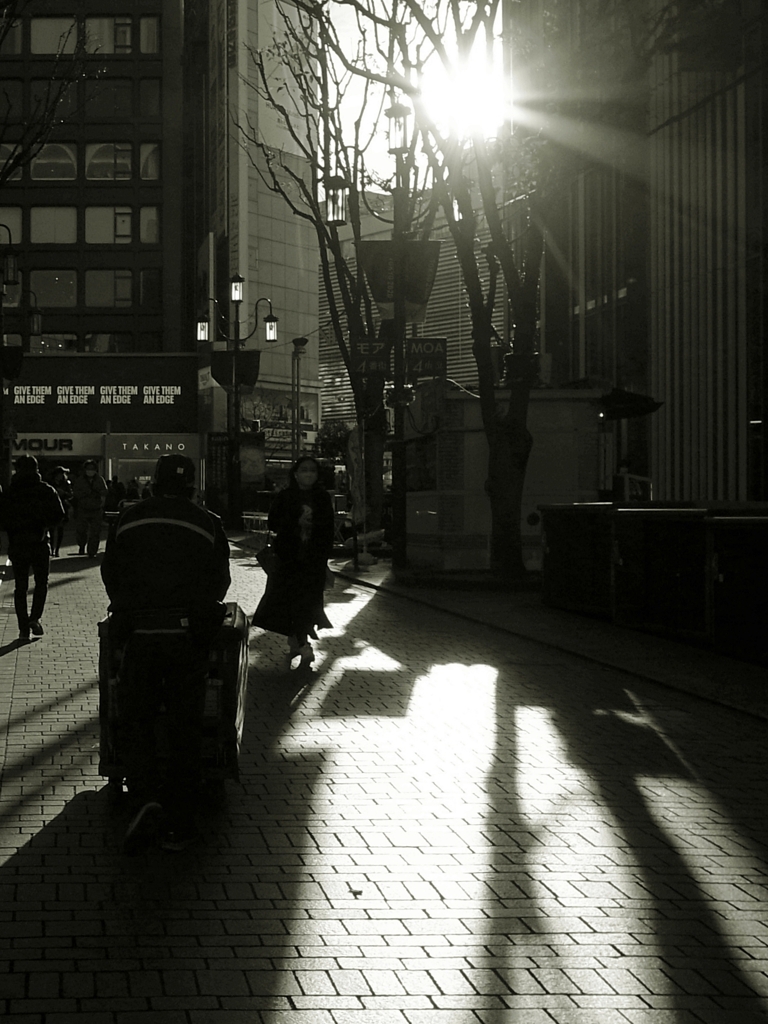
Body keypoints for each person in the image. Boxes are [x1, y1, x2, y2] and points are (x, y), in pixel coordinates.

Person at [101, 453, 231, 854]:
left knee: (137, 718)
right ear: (192, 486)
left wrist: (129, 608)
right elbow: (219, 581)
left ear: (154, 483)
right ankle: (180, 821)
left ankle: (144, 798)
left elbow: (111, 572)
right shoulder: (209, 524)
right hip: (185, 638)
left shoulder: (128, 518)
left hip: (139, 634)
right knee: (184, 725)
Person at [251, 455, 335, 666]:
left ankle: (298, 638)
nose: (309, 474)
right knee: (295, 601)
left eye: (312, 470)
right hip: (289, 560)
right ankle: (303, 643)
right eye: (304, 470)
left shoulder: (322, 497)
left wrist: (324, 559)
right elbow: (274, 523)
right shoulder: (286, 496)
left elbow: (328, 530)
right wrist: (294, 522)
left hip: (313, 561)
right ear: (296, 474)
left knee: (308, 602)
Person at [0, 455, 66, 640]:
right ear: (36, 469)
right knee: (41, 583)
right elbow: (59, 515)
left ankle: (23, 628)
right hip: (40, 542)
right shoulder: (46, 490)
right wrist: (44, 525)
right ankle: (34, 618)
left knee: (20, 587)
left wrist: (15, 528)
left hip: (18, 543)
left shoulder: (11, 492)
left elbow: (3, 519)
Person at [72, 459, 108, 557]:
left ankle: (92, 551)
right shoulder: (80, 480)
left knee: (95, 532)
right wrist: (85, 494)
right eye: (88, 469)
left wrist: (101, 502)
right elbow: (75, 493)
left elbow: (104, 492)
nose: (90, 471)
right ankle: (82, 545)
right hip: (83, 509)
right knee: (81, 530)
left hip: (96, 509)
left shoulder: (100, 480)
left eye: (92, 469)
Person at [47, 465, 73, 557]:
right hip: (52, 507)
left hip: (63, 506)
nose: (60, 476)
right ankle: (52, 549)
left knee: (60, 529)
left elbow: (70, 495)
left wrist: (63, 493)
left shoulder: (66, 483)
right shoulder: (50, 483)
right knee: (52, 529)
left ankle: (57, 549)